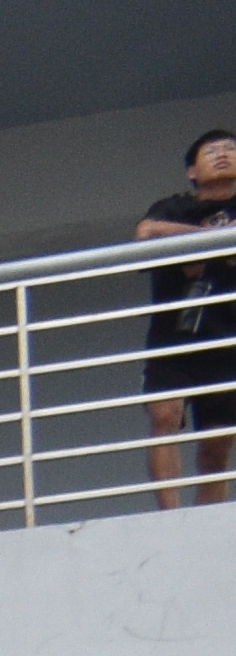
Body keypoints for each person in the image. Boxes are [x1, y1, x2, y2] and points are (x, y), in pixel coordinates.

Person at [145, 131, 236, 510]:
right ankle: (169, 518)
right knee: (165, 414)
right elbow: (147, 232)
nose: (223, 155)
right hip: (174, 336)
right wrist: (205, 239)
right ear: (191, 171)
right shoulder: (175, 207)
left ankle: (206, 522)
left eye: (231, 149)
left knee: (216, 446)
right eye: (211, 151)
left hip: (226, 339)